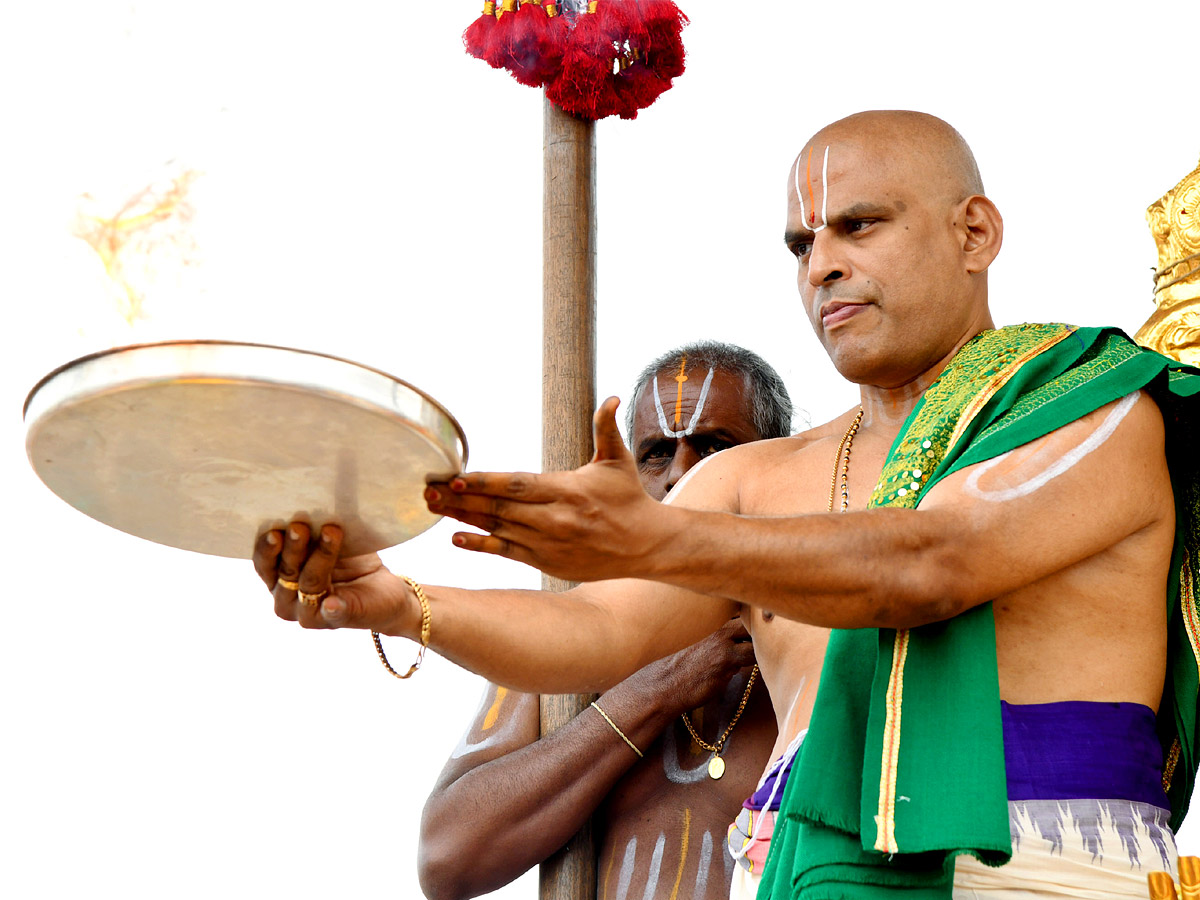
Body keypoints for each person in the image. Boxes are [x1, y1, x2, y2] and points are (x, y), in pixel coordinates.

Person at [255, 110, 1200, 898]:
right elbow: (589, 629)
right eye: (801, 243)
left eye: (858, 226)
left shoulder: (1094, 406)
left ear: (975, 233)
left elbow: (928, 564)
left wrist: (657, 536)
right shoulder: (752, 482)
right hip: (799, 874)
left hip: (1054, 865)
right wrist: (399, 604)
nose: (820, 265)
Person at [417, 341, 790, 900]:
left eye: (716, 447)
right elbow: (448, 859)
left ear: (778, 464)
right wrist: (655, 692)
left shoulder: (821, 628)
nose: (682, 476)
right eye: (657, 453)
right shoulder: (573, 632)